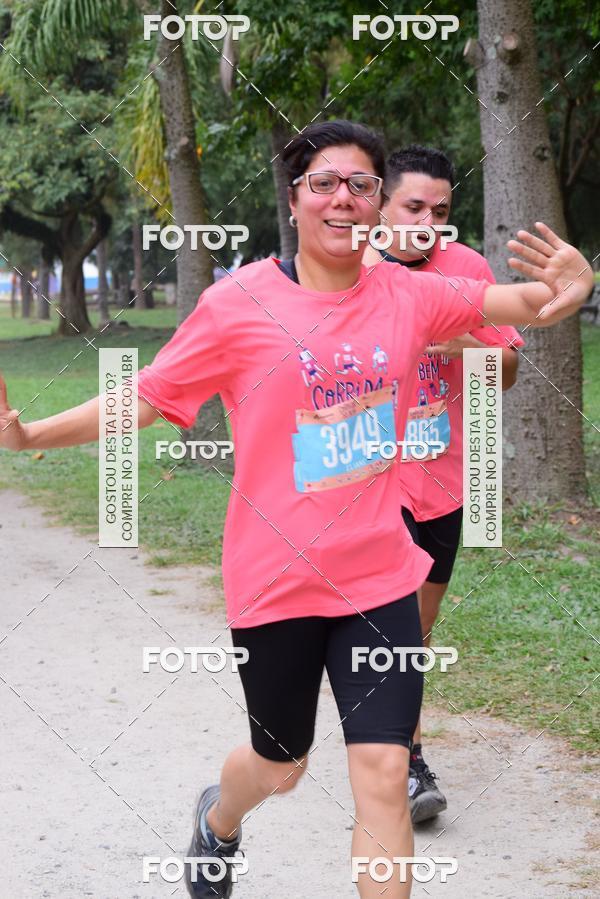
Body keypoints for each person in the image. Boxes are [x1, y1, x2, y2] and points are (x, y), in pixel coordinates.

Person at [0, 120, 593, 899]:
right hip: (277, 580)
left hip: (380, 576)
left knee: (383, 770)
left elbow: (512, 301)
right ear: (294, 199)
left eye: (361, 185)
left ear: (377, 203)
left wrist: (571, 285)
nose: (343, 198)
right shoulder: (237, 303)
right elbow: (146, 398)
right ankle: (218, 818)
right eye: (324, 183)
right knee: (281, 765)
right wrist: (29, 434)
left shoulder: (410, 295)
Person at [363, 145, 524, 824]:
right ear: (381, 206)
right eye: (413, 208)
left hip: (442, 480)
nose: (428, 222)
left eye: (441, 210)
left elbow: (507, 369)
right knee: (394, 625)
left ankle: (389, 744)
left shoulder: (467, 271)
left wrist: (465, 344)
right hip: (369, 480)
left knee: (417, 630)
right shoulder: (349, 269)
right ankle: (405, 762)